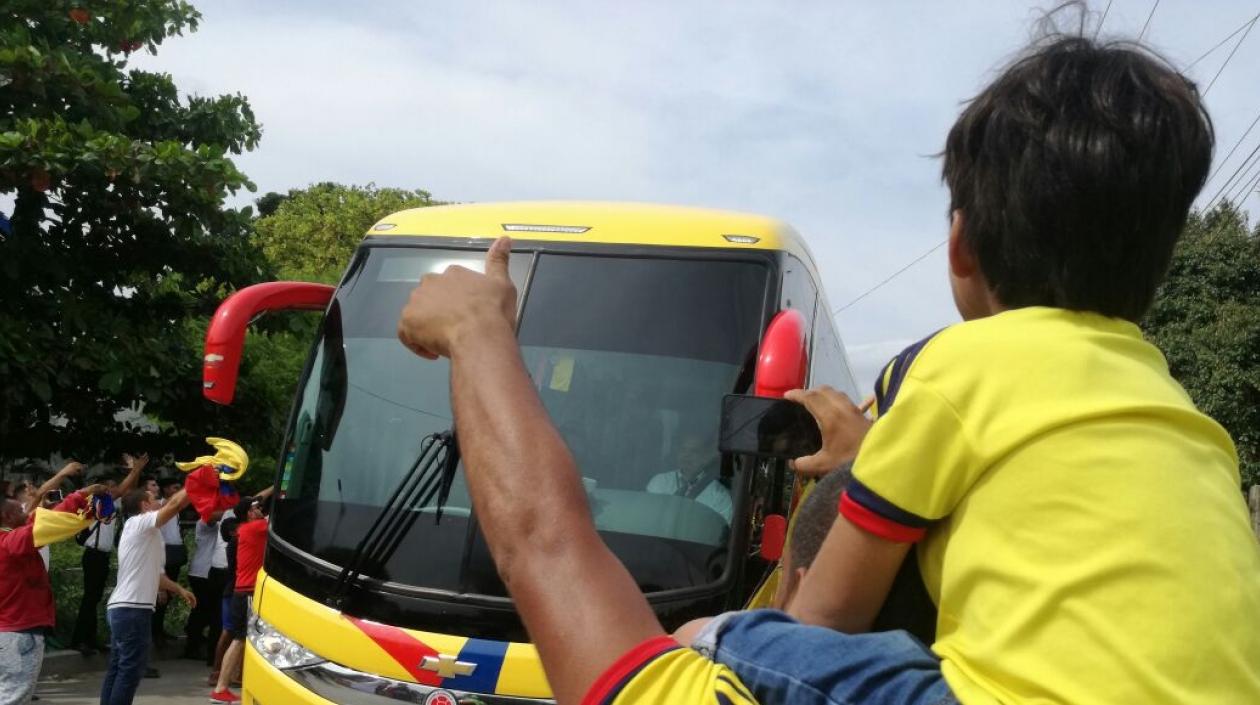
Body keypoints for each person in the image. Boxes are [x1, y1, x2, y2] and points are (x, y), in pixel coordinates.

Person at [685, 33, 1260, 705]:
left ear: (960, 244)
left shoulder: (953, 368)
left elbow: (827, 618)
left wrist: (738, 637)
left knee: (713, 635)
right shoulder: (1185, 417)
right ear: (1159, 266)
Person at [396, 238, 756, 705]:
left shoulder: (719, 505)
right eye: (683, 451)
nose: (688, 459)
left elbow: (543, 541)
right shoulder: (659, 487)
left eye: (697, 452)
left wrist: (475, 331)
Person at [1, 483, 105, 705]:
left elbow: (36, 522)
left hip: (9, 632)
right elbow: (47, 524)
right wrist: (79, 496)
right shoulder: (12, 542)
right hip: (19, 633)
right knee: (15, 697)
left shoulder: (8, 539)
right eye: (20, 509)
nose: (27, 511)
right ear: (7, 516)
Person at [99, 484, 195, 705]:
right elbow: (175, 503)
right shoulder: (139, 523)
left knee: (118, 667)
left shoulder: (146, 532)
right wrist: (200, 477)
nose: (159, 502)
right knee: (131, 670)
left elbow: (157, 575)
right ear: (144, 505)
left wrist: (179, 589)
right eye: (154, 499)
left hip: (124, 608)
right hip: (132, 609)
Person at [70, 453, 146, 655]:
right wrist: (135, 469)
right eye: (109, 486)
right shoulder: (97, 500)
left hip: (102, 556)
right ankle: (79, 639)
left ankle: (90, 638)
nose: (113, 489)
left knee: (94, 598)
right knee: (90, 598)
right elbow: (122, 490)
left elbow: (129, 491)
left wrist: (134, 472)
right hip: (93, 555)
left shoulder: (111, 504)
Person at [210, 488, 272, 705]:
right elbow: (283, 519)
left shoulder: (245, 529)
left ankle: (222, 688)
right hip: (247, 592)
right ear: (248, 513)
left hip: (242, 591)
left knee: (240, 639)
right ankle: (222, 687)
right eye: (256, 508)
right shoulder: (255, 528)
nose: (260, 511)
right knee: (240, 640)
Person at [645, 432, 733, 523]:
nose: (687, 456)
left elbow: (720, 534)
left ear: (705, 457)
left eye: (694, 451)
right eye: (683, 450)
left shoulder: (719, 496)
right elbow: (647, 519)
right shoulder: (659, 482)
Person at [183, 510, 227, 662]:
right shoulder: (204, 523)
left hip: (211, 573)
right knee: (203, 612)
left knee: (208, 612)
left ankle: (197, 644)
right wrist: (230, 510)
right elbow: (211, 516)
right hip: (202, 573)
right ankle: (193, 647)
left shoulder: (225, 522)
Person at [152, 476, 186, 646]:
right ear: (165, 490)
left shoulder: (176, 508)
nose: (177, 491)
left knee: (168, 595)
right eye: (175, 487)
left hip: (174, 553)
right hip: (164, 553)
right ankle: (154, 631)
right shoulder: (162, 505)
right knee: (160, 595)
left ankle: (160, 629)